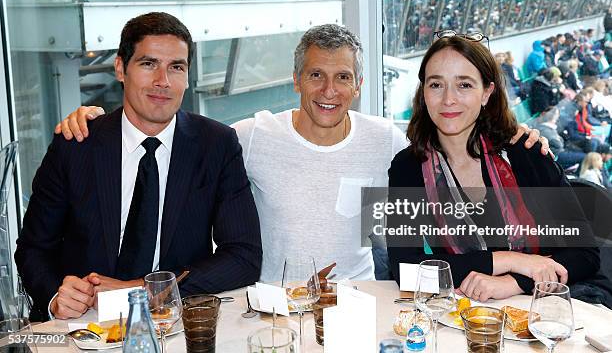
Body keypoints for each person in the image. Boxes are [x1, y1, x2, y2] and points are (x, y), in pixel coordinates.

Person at [55, 25, 548, 284]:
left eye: (343, 77)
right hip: (262, 307)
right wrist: (100, 118)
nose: (328, 90)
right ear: (295, 80)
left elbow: (452, 132)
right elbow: (176, 137)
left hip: (355, 305)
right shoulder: (250, 135)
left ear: (358, 85)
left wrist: (516, 135)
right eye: (316, 75)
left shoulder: (390, 144)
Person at [15, 12, 262, 321]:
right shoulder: (76, 145)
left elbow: (244, 256)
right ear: (121, 68)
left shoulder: (216, 144)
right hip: (84, 323)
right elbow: (33, 248)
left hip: (173, 319)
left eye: (176, 67)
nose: (163, 81)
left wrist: (142, 290)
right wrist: (55, 297)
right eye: (148, 64)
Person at [386, 34, 599, 302]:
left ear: (487, 92)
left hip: (542, 310)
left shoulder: (525, 151)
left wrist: (514, 282)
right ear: (424, 92)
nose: (448, 99)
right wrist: (508, 260)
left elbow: (586, 255)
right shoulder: (408, 168)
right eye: (436, 84)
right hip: (466, 314)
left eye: (464, 84)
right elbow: (406, 271)